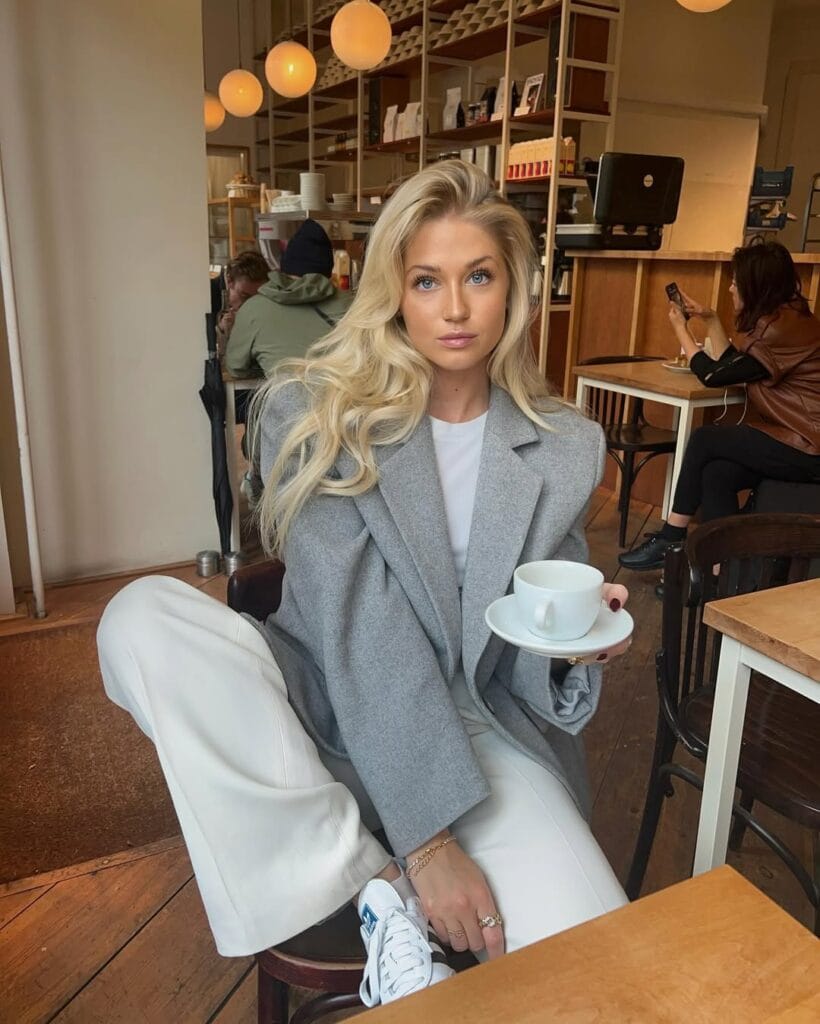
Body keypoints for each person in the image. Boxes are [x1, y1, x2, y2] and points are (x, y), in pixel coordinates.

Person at [97, 160, 630, 1008]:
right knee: (138, 619)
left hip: (477, 724)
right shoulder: (314, 413)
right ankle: (377, 884)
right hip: (318, 698)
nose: (454, 309)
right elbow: (357, 627)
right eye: (427, 280)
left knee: (604, 977)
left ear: (514, 290)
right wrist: (426, 848)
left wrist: (571, 647)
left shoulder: (562, 445)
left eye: (478, 277)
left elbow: (522, 639)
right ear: (393, 289)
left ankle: (349, 874)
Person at [619, 240, 820, 572]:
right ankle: (718, 571)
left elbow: (712, 375)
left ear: (756, 288)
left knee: (704, 440)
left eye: (736, 282)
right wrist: (711, 320)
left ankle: (671, 536)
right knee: (717, 473)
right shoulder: (786, 320)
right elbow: (734, 367)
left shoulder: (779, 330)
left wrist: (681, 330)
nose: (730, 288)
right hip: (797, 439)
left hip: (808, 446)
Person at [224, 218, 353, 379]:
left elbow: (236, 367)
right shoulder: (355, 304)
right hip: (348, 400)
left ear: (284, 267)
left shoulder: (253, 308)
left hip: (289, 400)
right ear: (328, 269)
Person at [216, 250, 271, 345]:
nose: (250, 304)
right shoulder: (207, 296)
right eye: (244, 296)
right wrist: (220, 330)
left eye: (257, 298)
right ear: (229, 282)